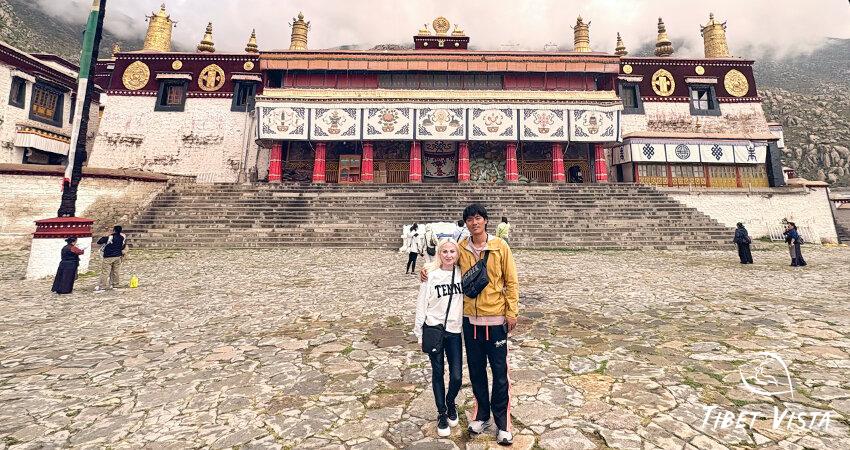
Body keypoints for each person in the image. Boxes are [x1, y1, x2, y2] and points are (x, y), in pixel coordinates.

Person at [422, 203, 519, 445]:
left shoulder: (500, 247)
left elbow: (512, 281)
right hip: (470, 321)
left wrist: (512, 311)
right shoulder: (463, 248)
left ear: (486, 221)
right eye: (470, 219)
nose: (474, 222)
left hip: (496, 318)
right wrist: (425, 270)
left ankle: (503, 423)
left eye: (478, 218)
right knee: (476, 371)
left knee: (499, 373)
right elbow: (445, 260)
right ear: (465, 224)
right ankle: (482, 415)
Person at [414, 238, 464, 437]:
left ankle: (451, 401)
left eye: (453, 251)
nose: (449, 255)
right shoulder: (431, 275)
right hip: (434, 329)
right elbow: (421, 304)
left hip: (454, 330)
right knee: (437, 373)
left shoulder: (462, 275)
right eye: (445, 251)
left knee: (457, 376)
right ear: (439, 253)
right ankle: (442, 412)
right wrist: (419, 334)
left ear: (457, 254)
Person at [96, 225, 127, 291]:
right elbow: (123, 247)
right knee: (116, 271)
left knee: (105, 272)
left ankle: (102, 286)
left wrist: (107, 235)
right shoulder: (122, 238)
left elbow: (99, 241)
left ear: (114, 230)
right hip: (118, 256)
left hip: (108, 257)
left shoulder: (110, 237)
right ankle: (115, 284)